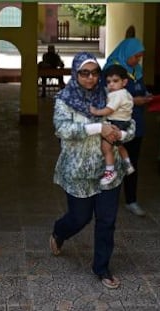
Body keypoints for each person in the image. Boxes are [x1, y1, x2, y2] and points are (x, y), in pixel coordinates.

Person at [49, 52, 135, 289]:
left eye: (94, 72)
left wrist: (121, 134)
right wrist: (99, 127)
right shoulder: (64, 99)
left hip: (109, 170)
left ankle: (102, 267)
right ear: (75, 74)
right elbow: (62, 129)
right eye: (84, 73)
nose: (90, 78)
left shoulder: (110, 94)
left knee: (107, 220)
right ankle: (59, 232)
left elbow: (130, 123)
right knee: (80, 217)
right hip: (78, 171)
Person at [103, 38, 153, 216]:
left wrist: (146, 96)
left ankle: (131, 200)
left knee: (132, 163)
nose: (137, 60)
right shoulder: (112, 69)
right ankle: (108, 199)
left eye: (140, 57)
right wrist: (133, 100)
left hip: (136, 123)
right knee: (113, 161)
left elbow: (138, 89)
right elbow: (106, 95)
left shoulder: (136, 70)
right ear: (127, 53)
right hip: (116, 125)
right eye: (135, 56)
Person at [90, 64, 135, 186]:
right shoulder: (126, 93)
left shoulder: (117, 94)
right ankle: (127, 164)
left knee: (106, 148)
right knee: (119, 146)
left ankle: (110, 171)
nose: (111, 84)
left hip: (116, 123)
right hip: (124, 122)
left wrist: (96, 111)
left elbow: (109, 110)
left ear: (124, 82)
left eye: (115, 81)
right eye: (108, 82)